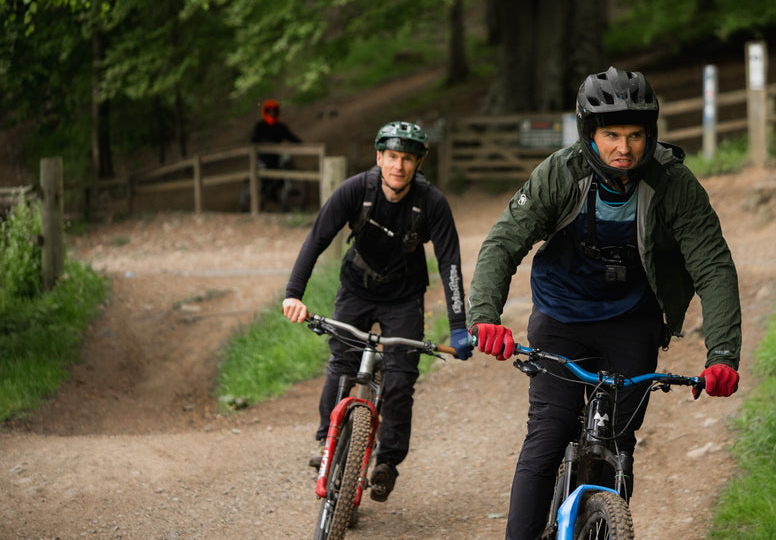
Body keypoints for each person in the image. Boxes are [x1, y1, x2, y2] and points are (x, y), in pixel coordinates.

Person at [467, 67, 742, 540]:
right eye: (611, 134)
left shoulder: (674, 184)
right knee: (548, 437)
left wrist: (722, 355)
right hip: (561, 317)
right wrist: (485, 317)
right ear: (589, 133)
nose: (624, 148)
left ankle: (605, 523)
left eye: (636, 135)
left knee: (618, 444)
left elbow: (713, 266)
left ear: (650, 135)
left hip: (630, 322)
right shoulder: (561, 173)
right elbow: (503, 243)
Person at [281, 121, 473, 503]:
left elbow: (449, 263)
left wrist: (458, 327)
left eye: (407, 159)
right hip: (356, 287)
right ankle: (327, 441)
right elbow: (317, 239)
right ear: (379, 158)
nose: (398, 166)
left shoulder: (431, 202)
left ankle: (387, 462)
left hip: (404, 296)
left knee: (401, 380)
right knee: (342, 365)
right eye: (391, 157)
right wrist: (293, 294)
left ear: (418, 163)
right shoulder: (356, 190)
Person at [249, 99, 302, 210]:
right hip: (263, 158)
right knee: (264, 176)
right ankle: (262, 197)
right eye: (270, 111)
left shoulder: (280, 126)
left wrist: (301, 144)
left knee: (284, 168)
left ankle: (282, 195)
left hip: (276, 158)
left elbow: (291, 137)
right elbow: (254, 141)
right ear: (266, 112)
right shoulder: (260, 126)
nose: (272, 113)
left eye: (274, 111)